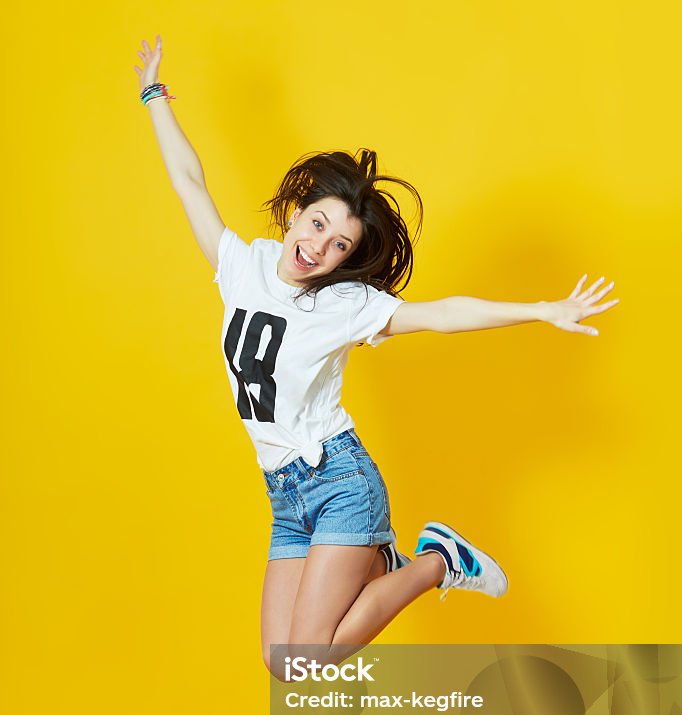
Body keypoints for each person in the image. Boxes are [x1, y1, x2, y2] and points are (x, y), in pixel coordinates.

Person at [134, 36, 620, 680]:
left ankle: (438, 562)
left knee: (307, 661)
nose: (320, 248)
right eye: (316, 225)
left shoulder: (346, 305)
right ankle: (389, 565)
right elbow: (187, 180)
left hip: (339, 483)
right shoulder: (240, 265)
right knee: (282, 665)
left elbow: (441, 314)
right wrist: (154, 95)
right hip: (284, 491)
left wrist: (538, 310)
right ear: (296, 213)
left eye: (339, 245)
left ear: (345, 260)